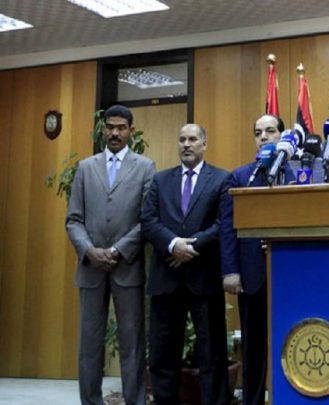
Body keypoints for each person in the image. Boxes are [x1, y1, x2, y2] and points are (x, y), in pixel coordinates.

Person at [65, 105, 155, 405]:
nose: (115, 133)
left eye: (121, 127)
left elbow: (146, 220)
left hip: (126, 266)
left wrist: (117, 250)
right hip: (91, 267)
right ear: (103, 129)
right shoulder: (85, 168)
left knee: (132, 342)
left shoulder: (145, 167)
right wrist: (89, 250)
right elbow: (73, 219)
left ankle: (135, 401)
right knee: (89, 343)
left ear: (131, 131)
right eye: (110, 127)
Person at [141, 123, 232, 405]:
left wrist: (190, 246)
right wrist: (172, 245)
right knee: (162, 354)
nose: (187, 144)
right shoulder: (160, 180)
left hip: (204, 279)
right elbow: (148, 221)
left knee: (212, 354)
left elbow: (223, 223)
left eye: (193, 139)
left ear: (204, 144)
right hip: (166, 278)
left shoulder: (221, 179)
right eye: (182, 139)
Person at [219, 114, 284, 405]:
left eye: (270, 131)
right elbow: (228, 228)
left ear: (282, 136)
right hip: (252, 274)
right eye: (258, 133)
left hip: (291, 274)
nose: (263, 137)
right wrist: (230, 271)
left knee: (289, 339)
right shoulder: (241, 177)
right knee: (254, 347)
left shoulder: (299, 172)